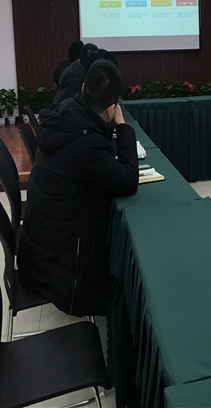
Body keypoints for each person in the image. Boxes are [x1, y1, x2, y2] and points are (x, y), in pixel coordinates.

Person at [18, 59, 139, 316]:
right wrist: (122, 126)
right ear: (111, 110)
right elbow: (128, 181)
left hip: (38, 252)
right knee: (131, 290)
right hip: (62, 272)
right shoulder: (86, 144)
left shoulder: (65, 112)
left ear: (83, 87)